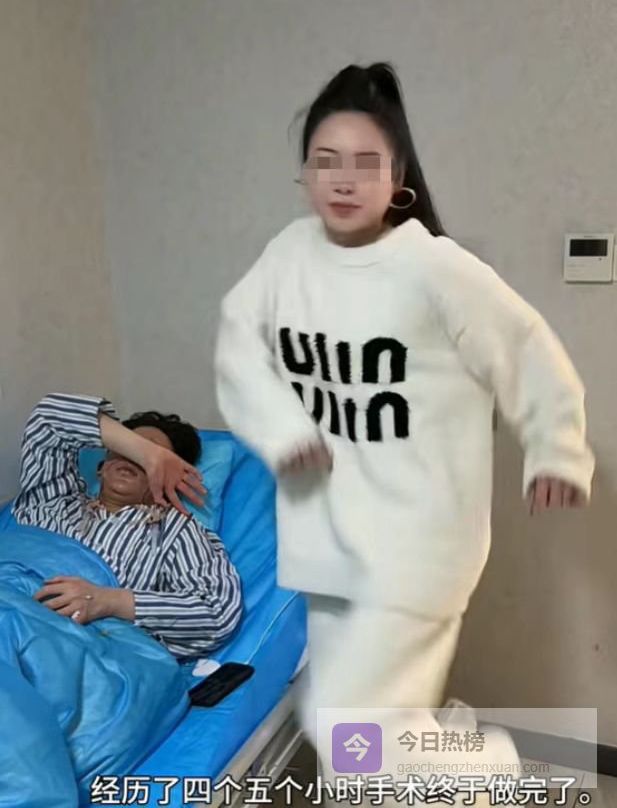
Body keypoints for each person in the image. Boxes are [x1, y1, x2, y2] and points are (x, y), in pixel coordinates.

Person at [215, 63, 594, 774]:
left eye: (366, 161)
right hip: (326, 542)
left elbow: (528, 351)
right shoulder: (287, 256)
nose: (344, 179)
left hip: (417, 547)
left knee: (353, 737)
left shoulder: (434, 268)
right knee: (347, 739)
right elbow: (239, 344)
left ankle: (488, 769)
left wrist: (556, 449)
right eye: (326, 160)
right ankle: (455, 758)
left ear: (397, 175)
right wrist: (280, 428)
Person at [14, 392, 243, 659]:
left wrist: (108, 601)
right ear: (100, 467)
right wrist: (145, 452)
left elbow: (217, 610)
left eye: (152, 463)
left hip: (68, 650)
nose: (131, 459)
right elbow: (48, 417)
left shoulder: (175, 531)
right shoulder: (53, 502)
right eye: (126, 449)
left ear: (172, 483)